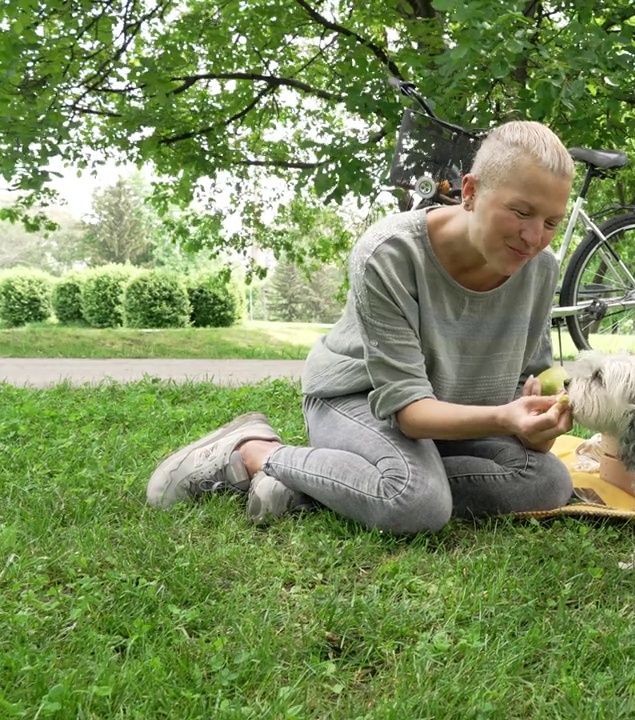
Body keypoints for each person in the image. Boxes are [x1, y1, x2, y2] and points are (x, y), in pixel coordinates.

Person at [146, 120, 578, 534]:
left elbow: (531, 382)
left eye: (551, 223)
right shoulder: (388, 253)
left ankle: (331, 487)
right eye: (521, 212)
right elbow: (410, 412)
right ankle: (253, 452)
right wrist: (506, 419)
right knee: (418, 503)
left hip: (454, 419)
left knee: (548, 483)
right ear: (470, 191)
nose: (533, 237)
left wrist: (539, 428)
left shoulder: (541, 270)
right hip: (360, 400)